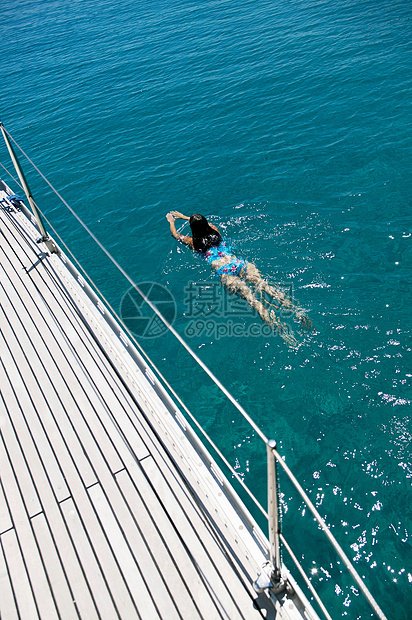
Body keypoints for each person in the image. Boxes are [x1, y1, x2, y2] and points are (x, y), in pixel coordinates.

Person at [166, 210, 312, 345]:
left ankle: (282, 332)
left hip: (225, 272)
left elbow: (175, 235)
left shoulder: (193, 242)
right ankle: (298, 312)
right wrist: (186, 217)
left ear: (193, 228)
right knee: (267, 287)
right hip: (238, 263)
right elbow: (206, 223)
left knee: (253, 301)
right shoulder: (215, 231)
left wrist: (172, 221)